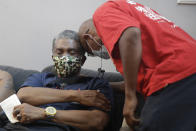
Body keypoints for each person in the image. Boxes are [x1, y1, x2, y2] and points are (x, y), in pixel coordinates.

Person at [78, 0, 196, 130]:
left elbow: (131, 34)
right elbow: (130, 85)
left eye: (91, 51)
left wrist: (129, 98)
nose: (98, 53)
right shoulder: (132, 11)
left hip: (175, 73)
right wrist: (97, 81)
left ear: (87, 37)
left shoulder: (102, 13)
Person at [0, 30, 113, 131]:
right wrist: (77, 96)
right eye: (59, 52)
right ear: (53, 57)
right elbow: (23, 95)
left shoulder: (96, 84)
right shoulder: (41, 78)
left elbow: (98, 122)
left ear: (82, 59)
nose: (65, 57)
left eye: (72, 52)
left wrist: (45, 113)